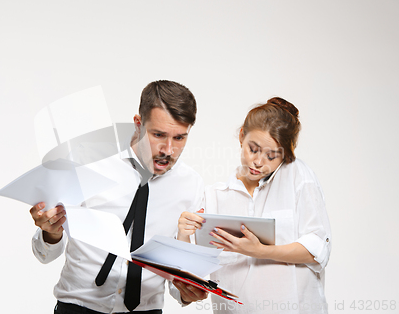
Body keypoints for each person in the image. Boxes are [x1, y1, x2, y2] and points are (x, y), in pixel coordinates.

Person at [29, 80, 208, 314]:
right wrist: (50, 233)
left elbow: (177, 271)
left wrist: (185, 290)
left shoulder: (190, 185)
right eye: (158, 134)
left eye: (179, 138)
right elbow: (45, 254)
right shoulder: (88, 164)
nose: (168, 150)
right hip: (79, 308)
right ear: (138, 124)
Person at [177, 97, 331, 314]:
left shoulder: (297, 176)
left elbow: (318, 249)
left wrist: (262, 251)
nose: (259, 162)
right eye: (253, 149)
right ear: (241, 136)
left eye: (272, 155)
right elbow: (193, 272)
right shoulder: (215, 196)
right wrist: (183, 235)